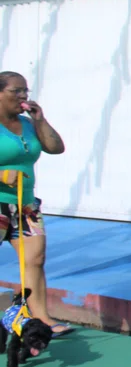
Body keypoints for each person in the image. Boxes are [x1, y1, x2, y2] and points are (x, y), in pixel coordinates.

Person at [0, 71, 69, 336]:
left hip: (26, 205)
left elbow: (55, 147)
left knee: (35, 259)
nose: (23, 96)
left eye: (25, 91)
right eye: (16, 91)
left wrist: (39, 120)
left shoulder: (28, 124)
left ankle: (41, 318)